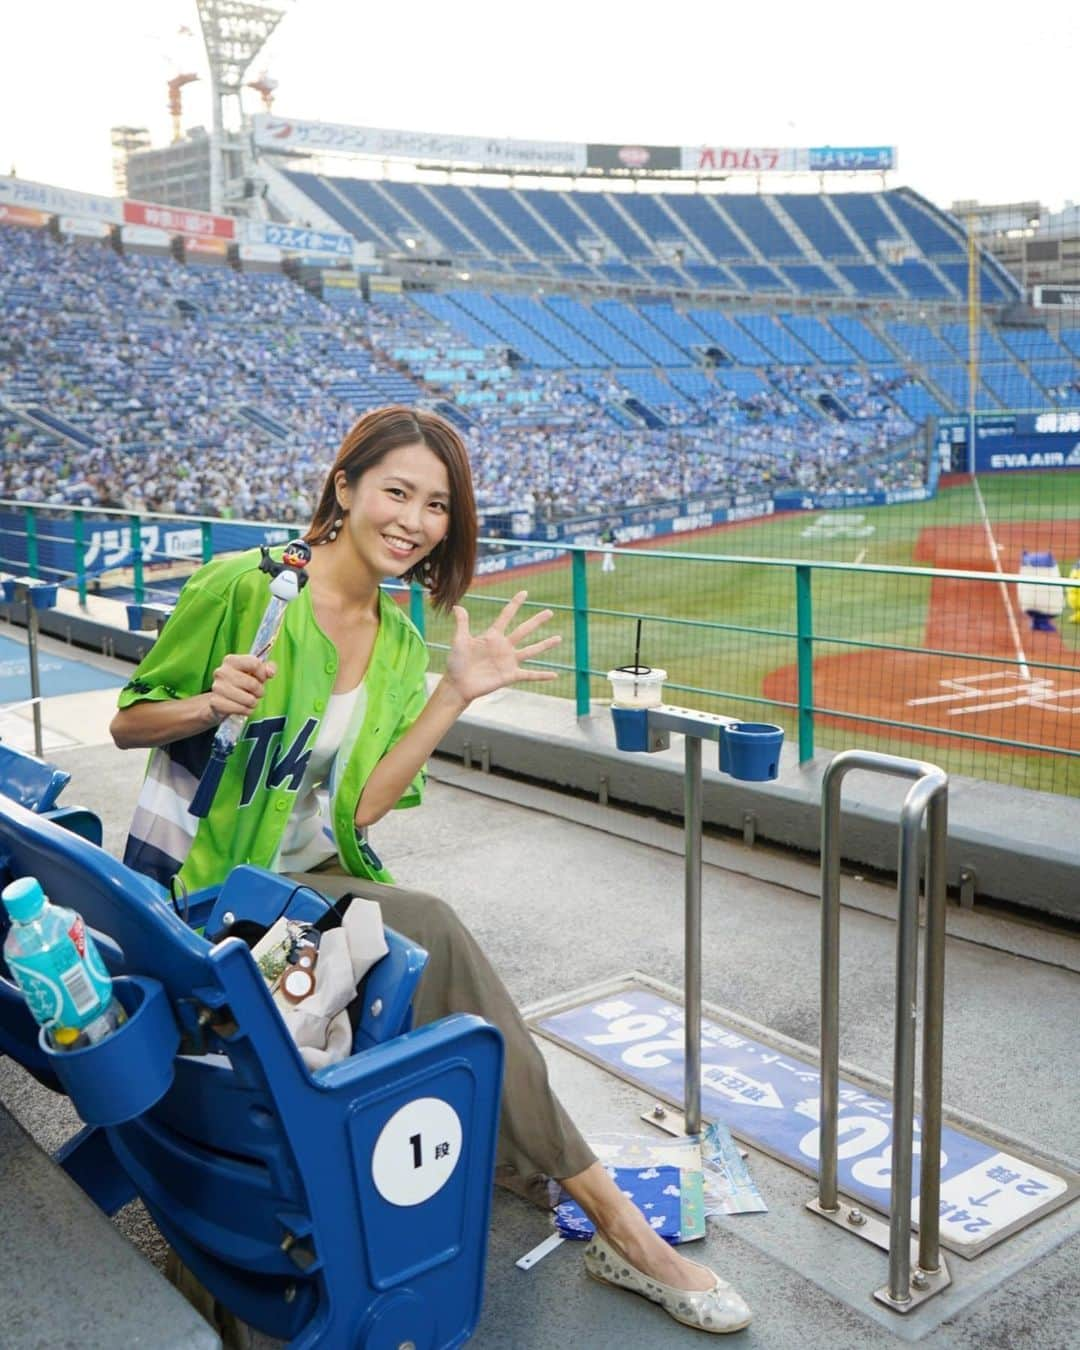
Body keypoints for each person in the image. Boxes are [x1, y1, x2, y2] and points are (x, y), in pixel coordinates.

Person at [110, 405, 750, 1335]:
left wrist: (453, 693)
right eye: (397, 492)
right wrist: (204, 704)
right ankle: (615, 1220)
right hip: (205, 896)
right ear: (345, 488)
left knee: (433, 947)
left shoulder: (405, 643)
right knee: (437, 933)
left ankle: (575, 1188)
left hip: (310, 882)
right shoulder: (244, 590)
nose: (414, 520)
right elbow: (130, 719)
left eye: (437, 505)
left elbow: (358, 811)